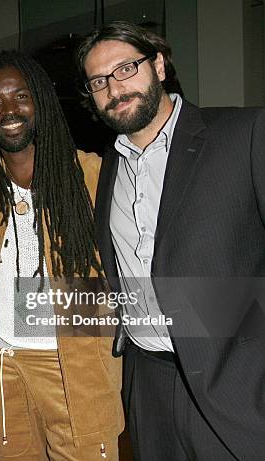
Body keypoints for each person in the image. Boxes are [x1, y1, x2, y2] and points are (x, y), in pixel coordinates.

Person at [77, 20, 265, 460]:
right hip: (148, 385)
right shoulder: (107, 169)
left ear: (159, 65)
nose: (115, 88)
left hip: (237, 386)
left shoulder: (244, 133)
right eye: (99, 81)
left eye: (127, 69)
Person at [0, 50, 123, 460]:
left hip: (75, 371)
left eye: (20, 96)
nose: (8, 110)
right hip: (2, 368)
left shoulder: (95, 178)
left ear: (40, 100)